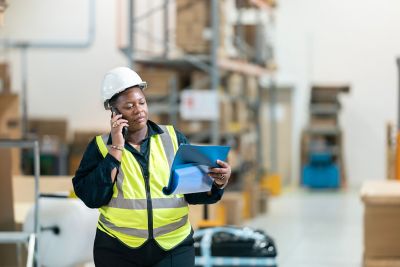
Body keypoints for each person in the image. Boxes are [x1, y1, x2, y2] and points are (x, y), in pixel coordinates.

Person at [72, 66, 231, 267]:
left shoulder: (173, 139)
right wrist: (116, 150)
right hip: (117, 249)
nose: (139, 110)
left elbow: (193, 193)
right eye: (129, 106)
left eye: (142, 102)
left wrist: (218, 183)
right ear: (114, 112)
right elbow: (92, 197)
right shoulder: (100, 148)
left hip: (173, 246)